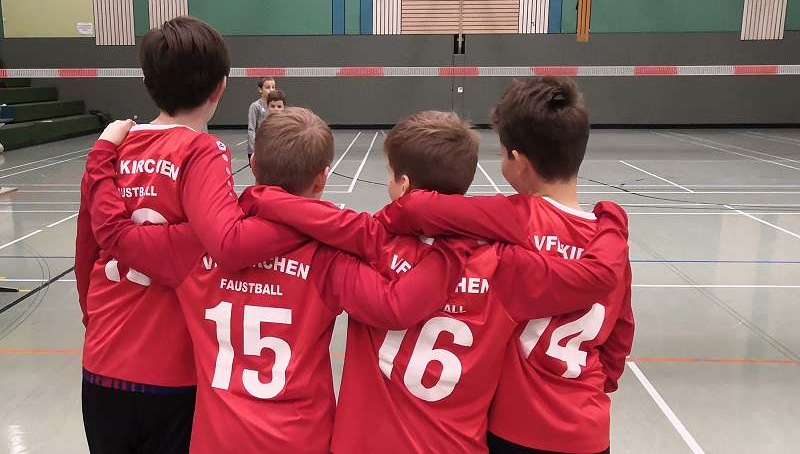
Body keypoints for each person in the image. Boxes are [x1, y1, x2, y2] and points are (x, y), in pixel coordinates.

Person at [83, 108, 479, 453]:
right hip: (300, 438)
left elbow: (117, 236)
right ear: (323, 179)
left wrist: (101, 158)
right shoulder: (330, 259)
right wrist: (454, 242)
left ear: (254, 165)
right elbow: (394, 305)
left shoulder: (196, 248)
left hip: (218, 439)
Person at [240, 109, 631, 452]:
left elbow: (332, 226)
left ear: (405, 187)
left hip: (365, 443)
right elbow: (592, 291)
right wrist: (613, 224)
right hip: (457, 443)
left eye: (391, 178)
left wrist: (266, 200)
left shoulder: (369, 247)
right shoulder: (502, 264)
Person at [74, 16, 308, 453]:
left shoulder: (113, 148)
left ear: (148, 84)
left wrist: (96, 320)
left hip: (102, 358)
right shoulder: (202, 150)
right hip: (172, 367)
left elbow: (86, 252)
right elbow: (222, 242)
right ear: (220, 87)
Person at [376, 78, 635, 454]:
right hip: (588, 428)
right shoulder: (609, 245)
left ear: (519, 162)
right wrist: (613, 218)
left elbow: (419, 207)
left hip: (517, 426)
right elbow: (618, 340)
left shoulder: (511, 219)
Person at [247, 76, 276, 163]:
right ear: (260, 89)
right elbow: (251, 130)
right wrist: (255, 150)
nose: (271, 90)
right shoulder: (255, 106)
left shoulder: (276, 106)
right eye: (267, 87)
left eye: (273, 87)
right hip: (258, 149)